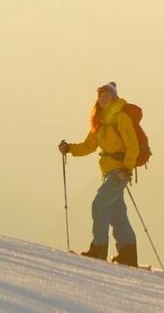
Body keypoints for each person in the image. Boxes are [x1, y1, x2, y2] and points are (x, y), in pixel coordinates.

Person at [59, 81, 140, 267]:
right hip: (111, 171)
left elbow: (133, 145)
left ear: (113, 97)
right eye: (101, 96)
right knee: (116, 213)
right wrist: (69, 148)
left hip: (119, 172)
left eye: (107, 95)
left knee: (100, 204)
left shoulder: (121, 118)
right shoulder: (100, 120)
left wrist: (126, 169)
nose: (103, 99)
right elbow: (89, 145)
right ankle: (128, 254)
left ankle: (99, 249)